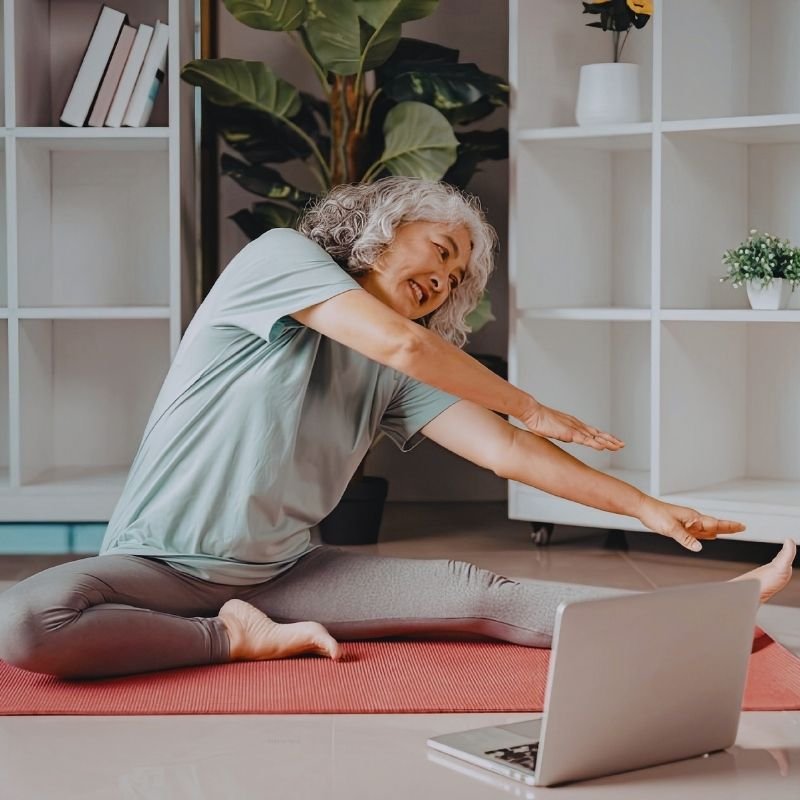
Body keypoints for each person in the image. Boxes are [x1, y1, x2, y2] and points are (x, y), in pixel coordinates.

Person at [0, 178, 794, 679]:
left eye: (454, 279)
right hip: (156, 564)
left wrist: (643, 507)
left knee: (483, 593)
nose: (442, 279)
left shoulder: (396, 372)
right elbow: (409, 346)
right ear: (382, 225)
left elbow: (506, 451)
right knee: (28, 621)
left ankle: (713, 612)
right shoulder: (278, 260)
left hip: (285, 576)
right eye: (439, 251)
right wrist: (531, 402)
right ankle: (228, 641)